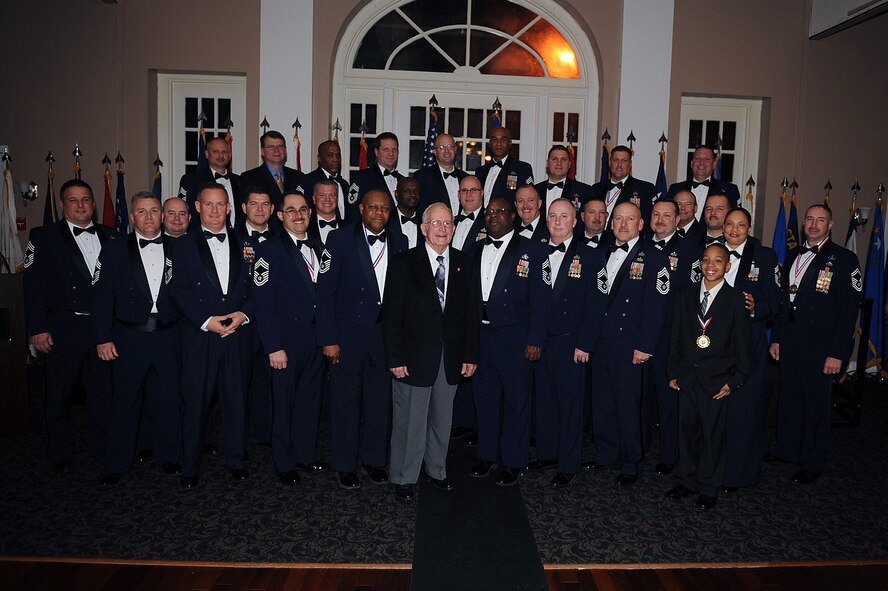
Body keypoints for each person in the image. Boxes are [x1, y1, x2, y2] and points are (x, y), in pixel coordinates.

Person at [382, 203, 480, 501]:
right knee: (409, 420)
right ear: (423, 228)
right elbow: (391, 315)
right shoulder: (403, 262)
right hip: (412, 359)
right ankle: (404, 476)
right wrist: (395, 358)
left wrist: (471, 354)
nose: (442, 228)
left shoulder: (465, 263)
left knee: (441, 419)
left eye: (447, 223)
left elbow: (471, 315)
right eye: (435, 223)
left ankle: (436, 470)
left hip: (449, 358)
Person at [24, 179, 116, 472]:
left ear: (93, 204)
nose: (80, 205)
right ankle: (60, 450)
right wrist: (38, 328)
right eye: (73, 200)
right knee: (59, 392)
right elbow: (32, 286)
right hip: (64, 326)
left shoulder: (112, 236)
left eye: (86, 199)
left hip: (103, 329)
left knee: (103, 392)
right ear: (62, 205)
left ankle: (104, 447)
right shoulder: (43, 236)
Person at [317, 190, 406, 489]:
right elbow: (325, 292)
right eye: (373, 207)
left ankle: (374, 461)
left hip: (383, 338)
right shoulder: (338, 240)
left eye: (384, 208)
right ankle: (344, 465)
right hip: (347, 337)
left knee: (380, 403)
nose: (379, 213)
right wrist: (328, 338)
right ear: (361, 209)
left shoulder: (400, 241)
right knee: (345, 403)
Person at [167, 183, 254, 489]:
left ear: (229, 208)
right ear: (198, 208)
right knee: (196, 402)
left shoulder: (247, 243)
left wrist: (242, 316)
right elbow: (176, 290)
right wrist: (206, 321)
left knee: (236, 400)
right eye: (209, 205)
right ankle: (189, 466)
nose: (216, 210)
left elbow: (258, 288)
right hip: (200, 335)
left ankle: (236, 459)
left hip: (237, 334)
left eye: (221, 205)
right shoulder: (180, 246)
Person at [91, 192, 182, 484]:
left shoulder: (179, 248)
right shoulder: (114, 250)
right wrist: (103, 338)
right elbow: (102, 298)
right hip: (129, 337)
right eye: (142, 212)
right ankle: (117, 463)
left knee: (169, 400)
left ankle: (170, 456)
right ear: (132, 217)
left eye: (154, 211)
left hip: (169, 336)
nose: (148, 217)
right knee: (126, 402)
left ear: (162, 215)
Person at [768, 204, 862, 484]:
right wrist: (777, 339)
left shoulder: (844, 259)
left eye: (820, 220)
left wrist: (837, 353)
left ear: (830, 225)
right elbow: (786, 303)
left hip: (822, 348)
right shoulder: (795, 254)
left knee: (816, 404)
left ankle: (812, 461)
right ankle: (786, 449)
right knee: (789, 398)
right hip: (792, 342)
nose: (813, 224)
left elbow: (848, 311)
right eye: (809, 219)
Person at [586, 202, 670, 485]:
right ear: (611, 224)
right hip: (602, 340)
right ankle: (607, 453)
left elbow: (657, 308)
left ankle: (631, 462)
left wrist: (645, 345)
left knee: (628, 405)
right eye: (618, 219)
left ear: (641, 224)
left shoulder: (655, 258)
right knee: (603, 401)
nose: (623, 224)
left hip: (630, 343)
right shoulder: (601, 253)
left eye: (630, 219)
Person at [666, 243, 752, 510]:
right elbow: (676, 337)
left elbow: (743, 346)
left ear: (727, 267)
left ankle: (709, 485)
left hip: (716, 380)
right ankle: (688, 480)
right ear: (700, 264)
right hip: (687, 378)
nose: (711, 265)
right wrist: (672, 371)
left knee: (712, 435)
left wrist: (735, 380)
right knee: (687, 432)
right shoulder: (685, 295)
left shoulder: (736, 299)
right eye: (706, 260)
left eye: (717, 261)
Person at [469, 197, 547, 486]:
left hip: (516, 337)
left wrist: (536, 339)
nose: (493, 216)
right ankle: (487, 455)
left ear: (513, 216)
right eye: (489, 212)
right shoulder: (475, 249)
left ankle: (513, 461)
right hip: (481, 337)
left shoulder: (533, 251)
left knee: (517, 402)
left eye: (500, 211)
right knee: (485, 398)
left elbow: (541, 300)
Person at [529, 198, 606, 487]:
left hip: (571, 342)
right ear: (545, 220)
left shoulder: (590, 255)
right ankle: (548, 452)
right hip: (540, 341)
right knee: (545, 401)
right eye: (552, 216)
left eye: (564, 217)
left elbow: (597, 305)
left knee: (571, 406)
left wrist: (585, 343)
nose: (557, 222)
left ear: (575, 221)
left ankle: (569, 463)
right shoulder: (535, 252)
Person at [252, 191, 327, 484]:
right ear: (279, 215)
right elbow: (263, 303)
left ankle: (304, 455)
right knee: (283, 403)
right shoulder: (268, 250)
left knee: (310, 400)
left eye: (304, 209)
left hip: (315, 339)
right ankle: (284, 463)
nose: (299, 215)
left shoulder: (319, 247)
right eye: (292, 210)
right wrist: (273, 346)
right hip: (284, 342)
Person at [721, 207, 780, 491]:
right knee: (714, 408)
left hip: (748, 344)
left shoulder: (765, 256)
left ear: (749, 228)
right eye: (729, 224)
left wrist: (757, 308)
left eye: (740, 225)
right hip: (714, 345)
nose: (734, 230)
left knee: (744, 409)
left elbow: (775, 302)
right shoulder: (708, 253)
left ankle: (739, 474)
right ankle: (711, 469)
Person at [645, 199, 702, 476]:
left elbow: (689, 297)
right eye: (656, 214)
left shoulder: (691, 251)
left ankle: (669, 454)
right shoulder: (640, 246)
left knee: (669, 400)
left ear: (678, 219)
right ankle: (639, 447)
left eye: (667, 215)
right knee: (641, 396)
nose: (660, 219)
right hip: (641, 335)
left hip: (670, 335)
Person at [234, 188, 276, 446]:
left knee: (268, 382)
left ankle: (266, 433)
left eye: (265, 204)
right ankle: (238, 439)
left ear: (273, 210)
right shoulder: (233, 240)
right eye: (254, 204)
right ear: (243, 208)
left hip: (273, 323)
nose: (260, 209)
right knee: (239, 383)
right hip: (242, 323)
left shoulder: (284, 239)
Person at [177, 137, 243, 231]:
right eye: (216, 152)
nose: (221, 155)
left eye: (224, 152)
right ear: (207, 154)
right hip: (200, 238)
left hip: (236, 239)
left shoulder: (240, 181)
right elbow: (182, 212)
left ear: (229, 155)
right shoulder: (190, 180)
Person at [239, 131, 306, 221]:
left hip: (293, 231)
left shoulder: (299, 177)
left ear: (285, 151)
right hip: (265, 232)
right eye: (271, 147)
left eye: (280, 146)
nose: (276, 150)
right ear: (262, 151)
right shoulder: (248, 178)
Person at [590, 145, 656, 225]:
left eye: (624, 161)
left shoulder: (645, 189)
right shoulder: (596, 189)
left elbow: (649, 221)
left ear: (630, 164)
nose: (619, 165)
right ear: (610, 162)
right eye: (615, 160)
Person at [347, 132, 404, 219]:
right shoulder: (362, 178)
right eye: (386, 150)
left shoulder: (403, 181)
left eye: (394, 149)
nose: (391, 154)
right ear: (376, 152)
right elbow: (353, 213)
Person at [667, 145, 740, 212]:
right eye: (697, 159)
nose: (701, 162)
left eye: (707, 159)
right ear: (692, 164)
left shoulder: (729, 190)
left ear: (714, 164)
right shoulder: (675, 189)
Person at [474, 127, 534, 206]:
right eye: (495, 140)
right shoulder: (480, 171)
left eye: (503, 140)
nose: (498, 144)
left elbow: (527, 199)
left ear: (510, 143)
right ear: (490, 143)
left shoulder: (522, 168)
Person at [414, 134, 467, 214]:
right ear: (435, 152)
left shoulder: (465, 178)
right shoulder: (422, 177)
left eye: (450, 146)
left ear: (455, 150)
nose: (447, 151)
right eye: (442, 147)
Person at [534, 145, 593, 214]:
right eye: (554, 159)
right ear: (547, 163)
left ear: (569, 164)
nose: (559, 163)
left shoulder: (585, 191)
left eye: (563, 159)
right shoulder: (535, 190)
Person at [301, 140, 350, 221]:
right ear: (319, 158)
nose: (335, 159)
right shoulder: (308, 181)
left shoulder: (344, 184)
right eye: (330, 155)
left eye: (338, 155)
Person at [451, 175, 487, 255]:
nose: (468, 194)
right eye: (464, 190)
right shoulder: (450, 222)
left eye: (473, 190)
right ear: (458, 195)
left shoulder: (490, 222)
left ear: (481, 193)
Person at [387, 177, 422, 249]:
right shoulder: (386, 220)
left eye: (416, 191)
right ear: (397, 194)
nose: (413, 195)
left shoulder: (425, 222)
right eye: (407, 191)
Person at [308, 178, 344, 246]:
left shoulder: (349, 228)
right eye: (322, 195)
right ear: (314, 199)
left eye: (332, 195)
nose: (327, 199)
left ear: (337, 199)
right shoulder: (305, 227)